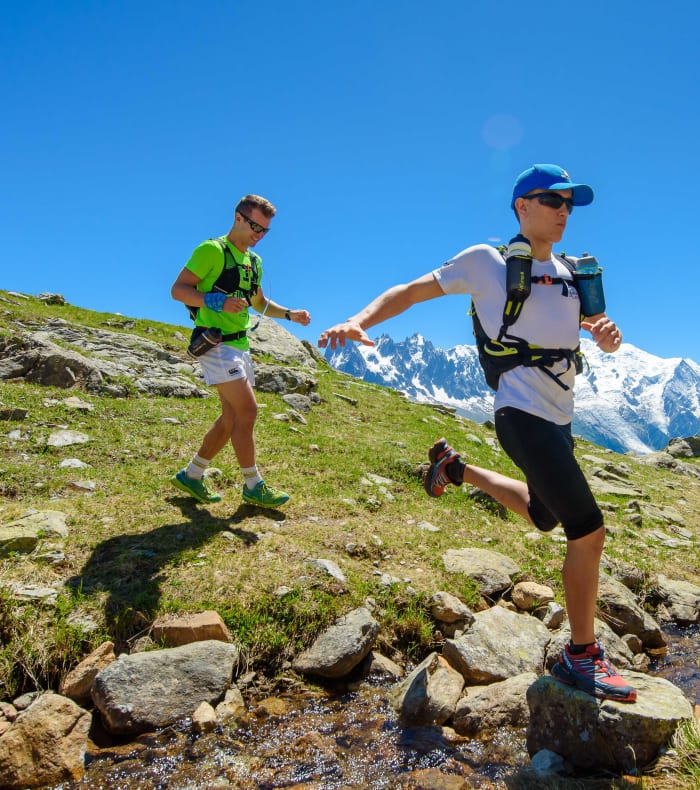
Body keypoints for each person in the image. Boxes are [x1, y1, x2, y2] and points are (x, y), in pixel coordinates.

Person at [318, 164, 636, 703]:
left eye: (570, 203)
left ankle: (454, 468)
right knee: (588, 529)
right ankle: (580, 654)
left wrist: (607, 336)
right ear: (522, 207)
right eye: (552, 200)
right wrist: (361, 320)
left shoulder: (572, 273)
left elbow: (591, 335)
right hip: (520, 414)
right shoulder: (487, 262)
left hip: (560, 420)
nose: (564, 210)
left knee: (543, 513)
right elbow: (412, 291)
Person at [170, 194, 311, 508]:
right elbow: (178, 290)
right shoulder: (212, 250)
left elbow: (259, 303)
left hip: (241, 345)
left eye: (264, 231)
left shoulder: (254, 261)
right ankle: (253, 484)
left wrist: (290, 314)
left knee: (231, 417)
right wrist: (216, 301)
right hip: (216, 344)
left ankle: (191, 475)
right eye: (254, 227)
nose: (258, 236)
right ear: (238, 218)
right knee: (248, 411)